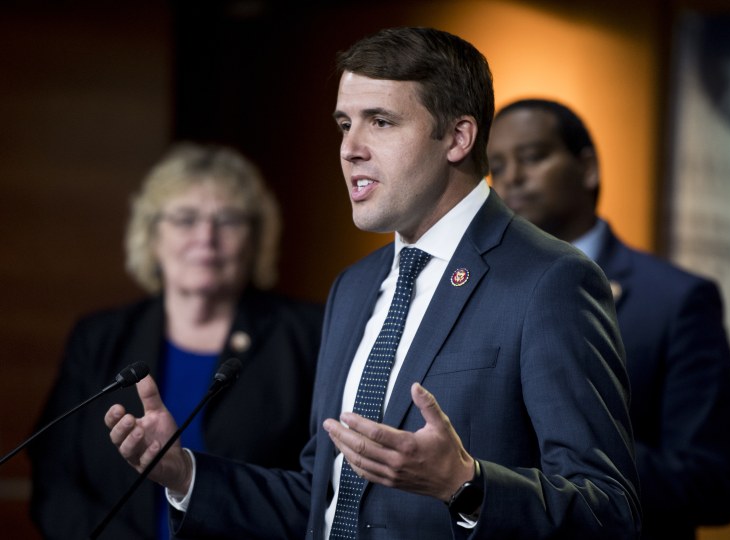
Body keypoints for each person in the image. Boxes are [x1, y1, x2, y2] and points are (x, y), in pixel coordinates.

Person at [105, 27, 642, 538]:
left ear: (458, 137)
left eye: (380, 122)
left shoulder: (551, 279)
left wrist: (465, 485)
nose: (350, 148)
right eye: (345, 124)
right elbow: (324, 500)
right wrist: (183, 473)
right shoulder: (355, 288)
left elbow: (608, 510)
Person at [28, 142, 323, 540]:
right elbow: (56, 481)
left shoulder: (308, 335)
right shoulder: (98, 337)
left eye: (229, 220)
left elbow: (318, 486)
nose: (206, 237)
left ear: (254, 239)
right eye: (185, 219)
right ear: (152, 237)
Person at [487, 98, 730, 540]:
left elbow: (714, 484)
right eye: (496, 165)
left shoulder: (676, 300)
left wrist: (568, 445)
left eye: (532, 157)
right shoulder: (481, 290)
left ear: (587, 167)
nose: (512, 178)